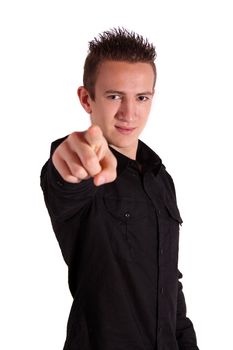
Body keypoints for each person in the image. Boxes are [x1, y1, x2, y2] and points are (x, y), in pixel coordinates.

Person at [40, 27, 199, 350]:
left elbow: (169, 280)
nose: (129, 113)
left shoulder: (160, 178)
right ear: (87, 98)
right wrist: (70, 160)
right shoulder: (86, 168)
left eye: (141, 98)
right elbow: (66, 178)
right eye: (114, 96)